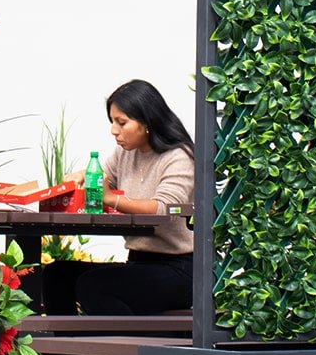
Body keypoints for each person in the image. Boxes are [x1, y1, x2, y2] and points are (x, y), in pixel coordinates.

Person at [31, 79, 194, 316]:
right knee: (57, 274)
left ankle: (121, 350)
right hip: (139, 263)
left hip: (177, 270)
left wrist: (111, 199)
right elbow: (101, 179)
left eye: (122, 122)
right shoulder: (125, 154)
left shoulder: (179, 157)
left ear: (147, 121)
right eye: (112, 122)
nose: (113, 130)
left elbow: (164, 209)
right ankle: (64, 352)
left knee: (95, 286)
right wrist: (81, 177)